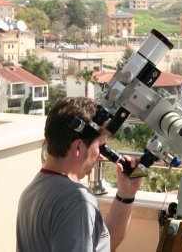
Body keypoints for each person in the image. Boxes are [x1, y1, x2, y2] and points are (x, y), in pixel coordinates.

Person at [16, 97, 142, 252]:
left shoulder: (33, 190)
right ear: (78, 147)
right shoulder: (77, 200)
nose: (101, 155)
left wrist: (126, 194)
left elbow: (101, 243)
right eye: (100, 146)